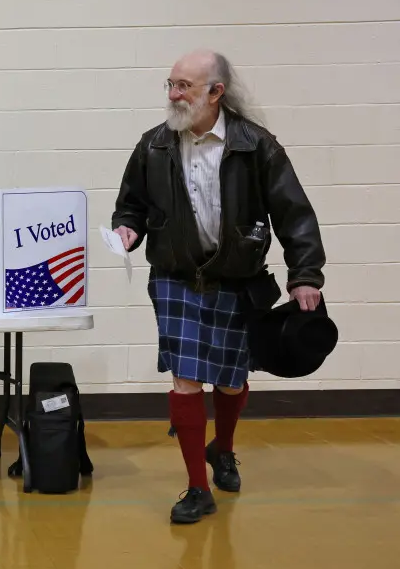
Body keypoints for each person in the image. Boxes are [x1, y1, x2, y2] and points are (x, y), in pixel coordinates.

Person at [111, 50, 327, 524]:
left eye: (184, 85)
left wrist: (305, 274)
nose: (173, 94)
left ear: (216, 92)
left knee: (231, 380)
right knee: (186, 380)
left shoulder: (256, 145)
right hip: (175, 276)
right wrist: (128, 229)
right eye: (170, 84)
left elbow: (293, 213)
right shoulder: (154, 146)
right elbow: (130, 204)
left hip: (237, 277)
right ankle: (196, 487)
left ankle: (223, 449)